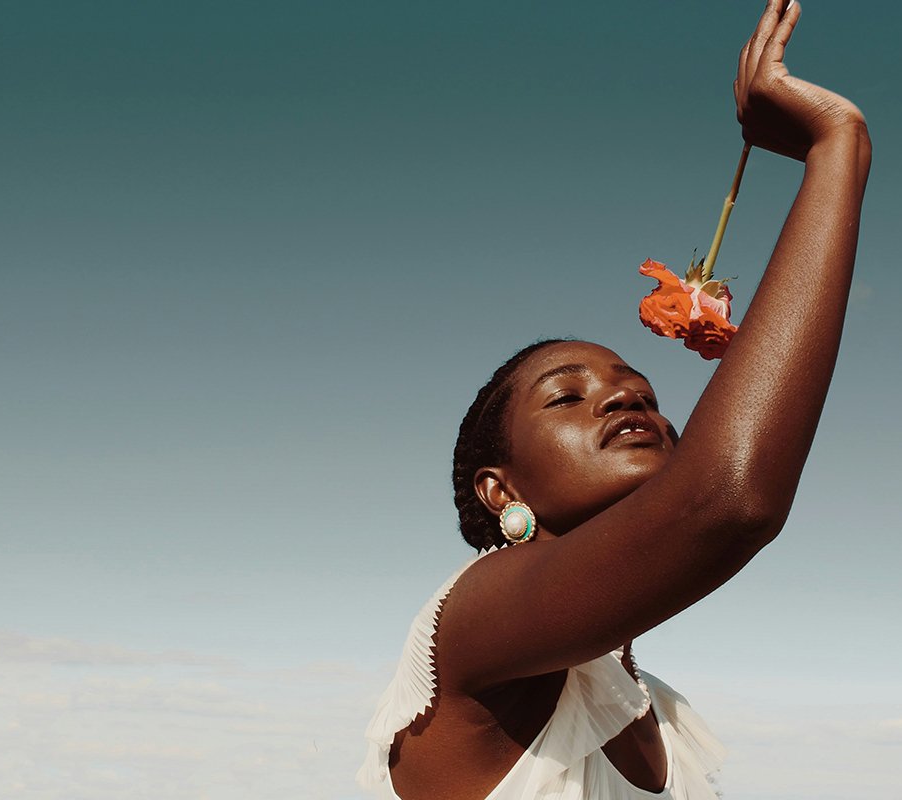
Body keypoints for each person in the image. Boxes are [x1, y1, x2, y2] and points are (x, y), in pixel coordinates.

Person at [359, 1, 871, 797]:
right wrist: (838, 147)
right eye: (566, 397)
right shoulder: (470, 628)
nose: (625, 394)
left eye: (644, 389)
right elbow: (727, 499)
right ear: (502, 490)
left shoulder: (649, 704)